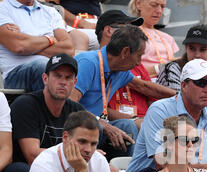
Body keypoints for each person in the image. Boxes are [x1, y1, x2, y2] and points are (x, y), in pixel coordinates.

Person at [69, 25, 156, 160]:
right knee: (117, 125)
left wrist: (178, 94)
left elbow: (146, 87)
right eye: (139, 56)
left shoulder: (120, 70)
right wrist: (104, 125)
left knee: (128, 126)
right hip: (78, 129)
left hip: (98, 130)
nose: (139, 63)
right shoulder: (88, 63)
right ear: (125, 52)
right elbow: (69, 105)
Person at [95, 10, 175, 131]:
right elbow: (97, 109)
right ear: (109, 30)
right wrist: (135, 121)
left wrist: (181, 96)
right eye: (126, 29)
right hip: (120, 126)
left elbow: (147, 90)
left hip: (144, 122)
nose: (133, 36)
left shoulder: (136, 65)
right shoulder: (96, 63)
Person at [0, 0, 74, 91]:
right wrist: (50, 39)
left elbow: (68, 50)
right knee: (43, 66)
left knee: (81, 62)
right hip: (15, 75)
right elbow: (19, 46)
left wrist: (29, 45)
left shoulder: (51, 11)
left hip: (51, 69)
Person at [26, 111, 115, 172]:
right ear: (65, 137)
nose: (88, 150)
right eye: (82, 142)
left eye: (93, 144)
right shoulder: (43, 165)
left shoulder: (99, 161)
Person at [156, 24, 207, 110]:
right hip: (174, 121)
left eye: (203, 49)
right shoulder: (173, 69)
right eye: (192, 49)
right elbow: (178, 107)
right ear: (186, 49)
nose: (197, 55)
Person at [128, 0, 179, 79]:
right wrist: (161, 67)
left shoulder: (168, 38)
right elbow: (129, 71)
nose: (159, 11)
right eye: (154, 5)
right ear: (138, 4)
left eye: (162, 6)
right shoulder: (129, 34)